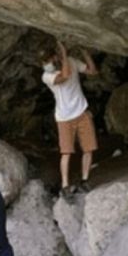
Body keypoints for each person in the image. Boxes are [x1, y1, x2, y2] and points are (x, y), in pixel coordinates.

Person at [39, 39, 99, 197]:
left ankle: (85, 180)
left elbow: (92, 71)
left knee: (88, 148)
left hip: (81, 111)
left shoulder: (72, 62)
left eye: (48, 59)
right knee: (66, 152)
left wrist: (85, 53)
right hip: (64, 118)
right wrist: (64, 54)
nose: (47, 63)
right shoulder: (46, 76)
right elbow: (64, 76)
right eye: (44, 61)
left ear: (55, 57)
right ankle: (65, 186)